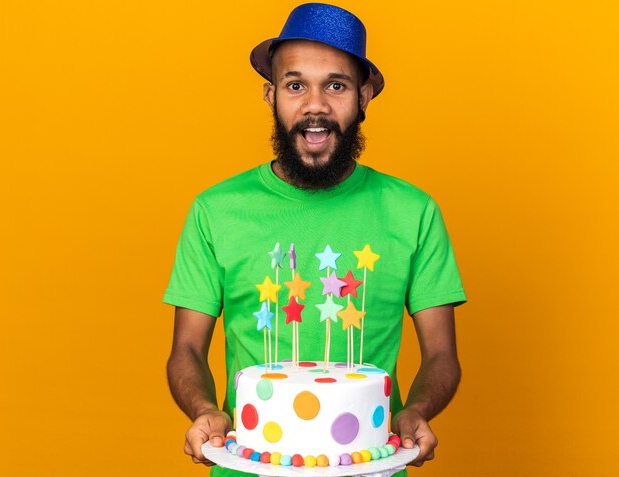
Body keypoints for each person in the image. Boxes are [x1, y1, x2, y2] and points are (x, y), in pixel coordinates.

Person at [164, 3, 466, 476]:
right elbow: (186, 349)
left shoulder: (414, 212)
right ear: (271, 95)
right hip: (246, 465)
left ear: (364, 96)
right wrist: (205, 409)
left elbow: (442, 355)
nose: (315, 105)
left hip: (371, 465)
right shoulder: (215, 210)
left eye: (336, 85)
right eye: (296, 84)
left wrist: (416, 411)